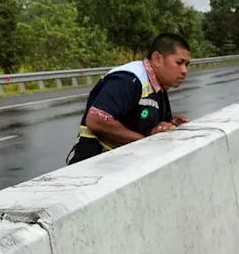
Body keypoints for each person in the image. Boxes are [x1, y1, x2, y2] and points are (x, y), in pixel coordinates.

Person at [66, 32, 193, 165]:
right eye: (179, 63)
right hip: (92, 166)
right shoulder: (129, 80)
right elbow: (96, 119)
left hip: (118, 164)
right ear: (157, 59)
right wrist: (144, 140)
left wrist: (168, 124)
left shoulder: (157, 86)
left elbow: (139, 120)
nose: (184, 70)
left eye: (187, 64)